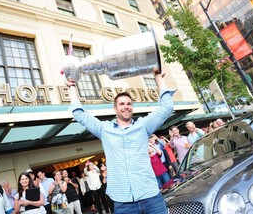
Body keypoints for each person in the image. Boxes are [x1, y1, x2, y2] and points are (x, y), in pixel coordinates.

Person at [67, 66, 173, 214]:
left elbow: (167, 107)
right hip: (123, 203)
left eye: (129, 104)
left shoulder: (143, 126)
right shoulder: (104, 129)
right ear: (115, 109)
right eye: (122, 104)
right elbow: (80, 115)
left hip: (151, 197)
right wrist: (72, 87)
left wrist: (158, 78)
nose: (126, 107)